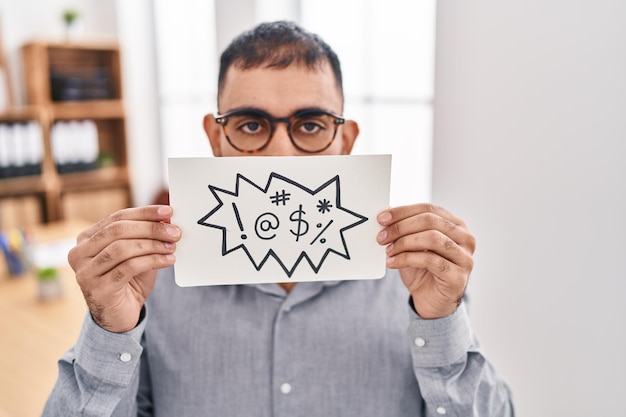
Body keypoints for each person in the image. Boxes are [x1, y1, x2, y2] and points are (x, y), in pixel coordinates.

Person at [42, 21, 514, 416]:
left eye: (310, 125)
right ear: (215, 138)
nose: (281, 153)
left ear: (345, 141)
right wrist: (109, 330)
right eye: (251, 125)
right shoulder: (152, 281)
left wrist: (442, 323)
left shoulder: (413, 281)